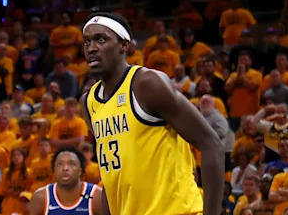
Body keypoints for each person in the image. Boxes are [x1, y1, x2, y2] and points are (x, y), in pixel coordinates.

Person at [81, 12, 222, 215]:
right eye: (87, 42)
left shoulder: (147, 83)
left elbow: (211, 144)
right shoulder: (88, 102)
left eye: (101, 39)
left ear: (124, 46)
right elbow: (113, 176)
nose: (92, 48)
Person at [28, 148, 102, 215]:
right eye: (59, 164)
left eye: (71, 164)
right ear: (54, 171)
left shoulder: (97, 196)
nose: (65, 168)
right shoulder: (40, 197)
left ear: (80, 170)